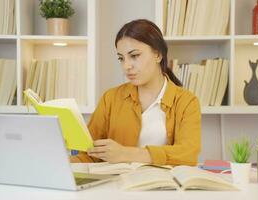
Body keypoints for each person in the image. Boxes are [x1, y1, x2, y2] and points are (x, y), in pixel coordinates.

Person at [71, 19, 201, 166]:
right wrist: (59, 163)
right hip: (116, 185)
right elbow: (88, 152)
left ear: (157, 55)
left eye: (134, 55)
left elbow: (188, 155)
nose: (126, 66)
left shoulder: (187, 101)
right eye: (121, 58)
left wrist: (125, 154)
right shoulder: (111, 98)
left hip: (163, 186)